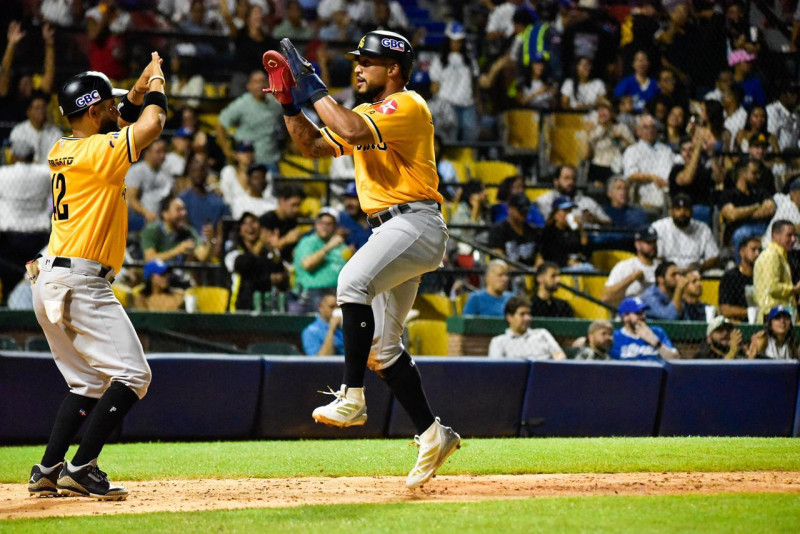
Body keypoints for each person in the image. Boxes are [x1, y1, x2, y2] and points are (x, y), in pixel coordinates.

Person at [263, 31, 459, 489]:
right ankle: (434, 434)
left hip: (415, 222)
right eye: (357, 60)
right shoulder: (368, 113)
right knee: (383, 351)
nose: (358, 68)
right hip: (394, 228)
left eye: (367, 62)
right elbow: (314, 146)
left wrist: (313, 84)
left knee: (350, 281)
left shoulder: (406, 104)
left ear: (393, 69)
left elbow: (349, 130)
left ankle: (351, 397)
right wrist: (291, 103)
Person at [28, 54, 166, 500]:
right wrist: (158, 84)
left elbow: (117, 119)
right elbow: (152, 125)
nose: (116, 109)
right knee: (134, 376)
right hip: (81, 282)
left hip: (50, 277)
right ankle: (81, 467)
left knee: (86, 383)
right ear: (91, 111)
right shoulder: (98, 152)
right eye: (107, 105)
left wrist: (137, 89)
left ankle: (47, 469)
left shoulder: (63, 147)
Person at [0, 139, 52, 304]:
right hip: (38, 236)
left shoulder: (3, 173)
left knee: (10, 280)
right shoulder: (45, 172)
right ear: (32, 156)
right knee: (35, 280)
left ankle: (12, 309)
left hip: (9, 238)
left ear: (14, 155)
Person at [215, 70, 283, 173]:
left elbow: (289, 125)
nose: (260, 85)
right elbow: (220, 124)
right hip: (246, 162)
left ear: (268, 84)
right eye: (255, 82)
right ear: (249, 86)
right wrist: (227, 151)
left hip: (270, 161)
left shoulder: (276, 106)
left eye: (263, 81)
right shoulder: (242, 104)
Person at [224, 211, 288, 312]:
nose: (250, 226)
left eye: (253, 222)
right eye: (245, 223)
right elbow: (245, 266)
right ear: (240, 231)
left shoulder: (267, 252)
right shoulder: (234, 251)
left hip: (266, 307)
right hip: (240, 308)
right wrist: (261, 243)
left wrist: (274, 249)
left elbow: (281, 273)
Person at [293, 209, 350, 311]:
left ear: (335, 226)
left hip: (337, 291)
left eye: (329, 224)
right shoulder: (308, 242)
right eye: (321, 223)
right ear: (316, 225)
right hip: (312, 292)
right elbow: (307, 264)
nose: (324, 227)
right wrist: (328, 247)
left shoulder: (340, 245)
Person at [720, 162, 775, 260]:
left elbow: (771, 208)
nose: (757, 176)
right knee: (741, 234)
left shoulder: (760, 191)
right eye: (754, 173)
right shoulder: (729, 194)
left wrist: (741, 213)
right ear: (742, 174)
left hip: (762, 227)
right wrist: (756, 206)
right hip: (739, 229)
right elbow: (731, 215)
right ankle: (742, 270)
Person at [651, 194, 719, 271]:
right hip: (667, 273)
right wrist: (672, 270)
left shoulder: (703, 229)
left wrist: (699, 267)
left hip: (695, 273)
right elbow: (656, 257)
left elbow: (714, 257)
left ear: (692, 211)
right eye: (678, 209)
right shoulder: (659, 227)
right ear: (671, 211)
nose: (682, 213)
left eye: (686, 209)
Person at [622, 114, 674, 212]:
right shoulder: (632, 151)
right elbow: (630, 175)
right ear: (638, 131)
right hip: (645, 195)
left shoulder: (666, 150)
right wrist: (652, 177)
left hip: (668, 194)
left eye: (653, 127)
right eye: (645, 127)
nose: (650, 130)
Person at [488, 296, 566, 360]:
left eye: (529, 314)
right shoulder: (499, 342)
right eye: (522, 314)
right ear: (509, 317)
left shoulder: (542, 334)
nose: (527, 318)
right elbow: (496, 369)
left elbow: (560, 355)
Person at [140, 195, 211, 265]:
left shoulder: (188, 232)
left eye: (184, 209)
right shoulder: (152, 230)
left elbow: (202, 257)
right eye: (178, 210)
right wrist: (177, 251)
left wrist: (209, 240)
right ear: (166, 214)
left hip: (181, 275)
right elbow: (150, 259)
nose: (184, 213)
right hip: (160, 274)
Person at [753, 220, 800, 319]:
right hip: (772, 316)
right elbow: (772, 287)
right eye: (789, 235)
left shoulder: (781, 255)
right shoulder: (772, 255)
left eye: (794, 235)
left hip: (781, 313)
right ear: (776, 236)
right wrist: (794, 289)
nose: (793, 239)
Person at [602, 227, 659, 307]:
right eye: (648, 242)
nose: (653, 246)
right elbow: (606, 297)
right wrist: (631, 278)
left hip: (656, 313)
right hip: (629, 314)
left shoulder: (662, 267)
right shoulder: (625, 266)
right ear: (637, 244)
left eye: (654, 242)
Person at [609, 297, 679, 361]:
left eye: (643, 312)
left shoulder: (657, 332)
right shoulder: (615, 337)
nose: (643, 316)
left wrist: (656, 343)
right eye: (638, 313)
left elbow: (675, 360)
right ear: (625, 317)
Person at [536, 165, 609, 224]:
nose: (571, 182)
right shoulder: (544, 201)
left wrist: (595, 220)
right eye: (566, 178)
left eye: (573, 179)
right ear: (556, 181)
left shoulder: (587, 201)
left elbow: (608, 222)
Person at [125, 139, 172, 232]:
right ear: (147, 152)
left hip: (161, 220)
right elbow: (131, 199)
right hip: (139, 220)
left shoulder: (166, 173)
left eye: (164, 152)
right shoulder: (137, 171)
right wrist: (146, 213)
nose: (162, 155)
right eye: (158, 152)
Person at [8, 91, 63, 164]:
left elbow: (59, 160)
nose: (41, 111)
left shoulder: (56, 133)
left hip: (48, 173)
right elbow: (15, 159)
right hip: (25, 173)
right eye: (37, 108)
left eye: (43, 108)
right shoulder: (19, 131)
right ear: (29, 111)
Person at [488, 192, 542, 266]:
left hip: (530, 273)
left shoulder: (532, 231)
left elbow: (539, 256)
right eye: (520, 211)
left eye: (525, 212)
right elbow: (498, 258)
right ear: (510, 208)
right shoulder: (498, 230)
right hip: (509, 273)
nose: (523, 215)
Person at [540, 196, 589, 270]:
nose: (568, 214)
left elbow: (584, 248)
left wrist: (581, 229)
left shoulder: (572, 231)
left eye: (570, 211)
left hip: (577, 265)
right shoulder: (549, 232)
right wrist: (568, 262)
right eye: (565, 211)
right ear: (555, 213)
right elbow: (550, 254)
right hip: (560, 268)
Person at [259, 183, 306, 261]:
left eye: (298, 205)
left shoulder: (292, 221)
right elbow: (268, 252)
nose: (296, 209)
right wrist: (286, 240)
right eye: (293, 205)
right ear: (281, 201)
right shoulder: (267, 220)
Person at [718, 237, 761, 322]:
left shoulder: (763, 277)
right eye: (753, 250)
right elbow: (725, 309)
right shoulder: (730, 277)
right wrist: (751, 312)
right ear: (742, 252)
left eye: (760, 250)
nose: (757, 254)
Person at [338, 181, 372, 250]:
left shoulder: (375, 219)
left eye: (353, 198)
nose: (349, 203)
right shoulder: (341, 219)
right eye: (347, 198)